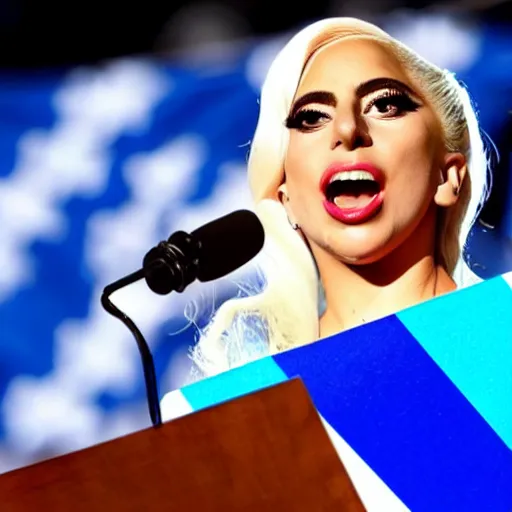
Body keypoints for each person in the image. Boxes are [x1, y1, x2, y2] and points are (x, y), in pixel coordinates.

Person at [190, 17, 490, 378]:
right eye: (312, 117)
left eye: (385, 105)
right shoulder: (253, 401)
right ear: (286, 199)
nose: (348, 129)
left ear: (447, 176)